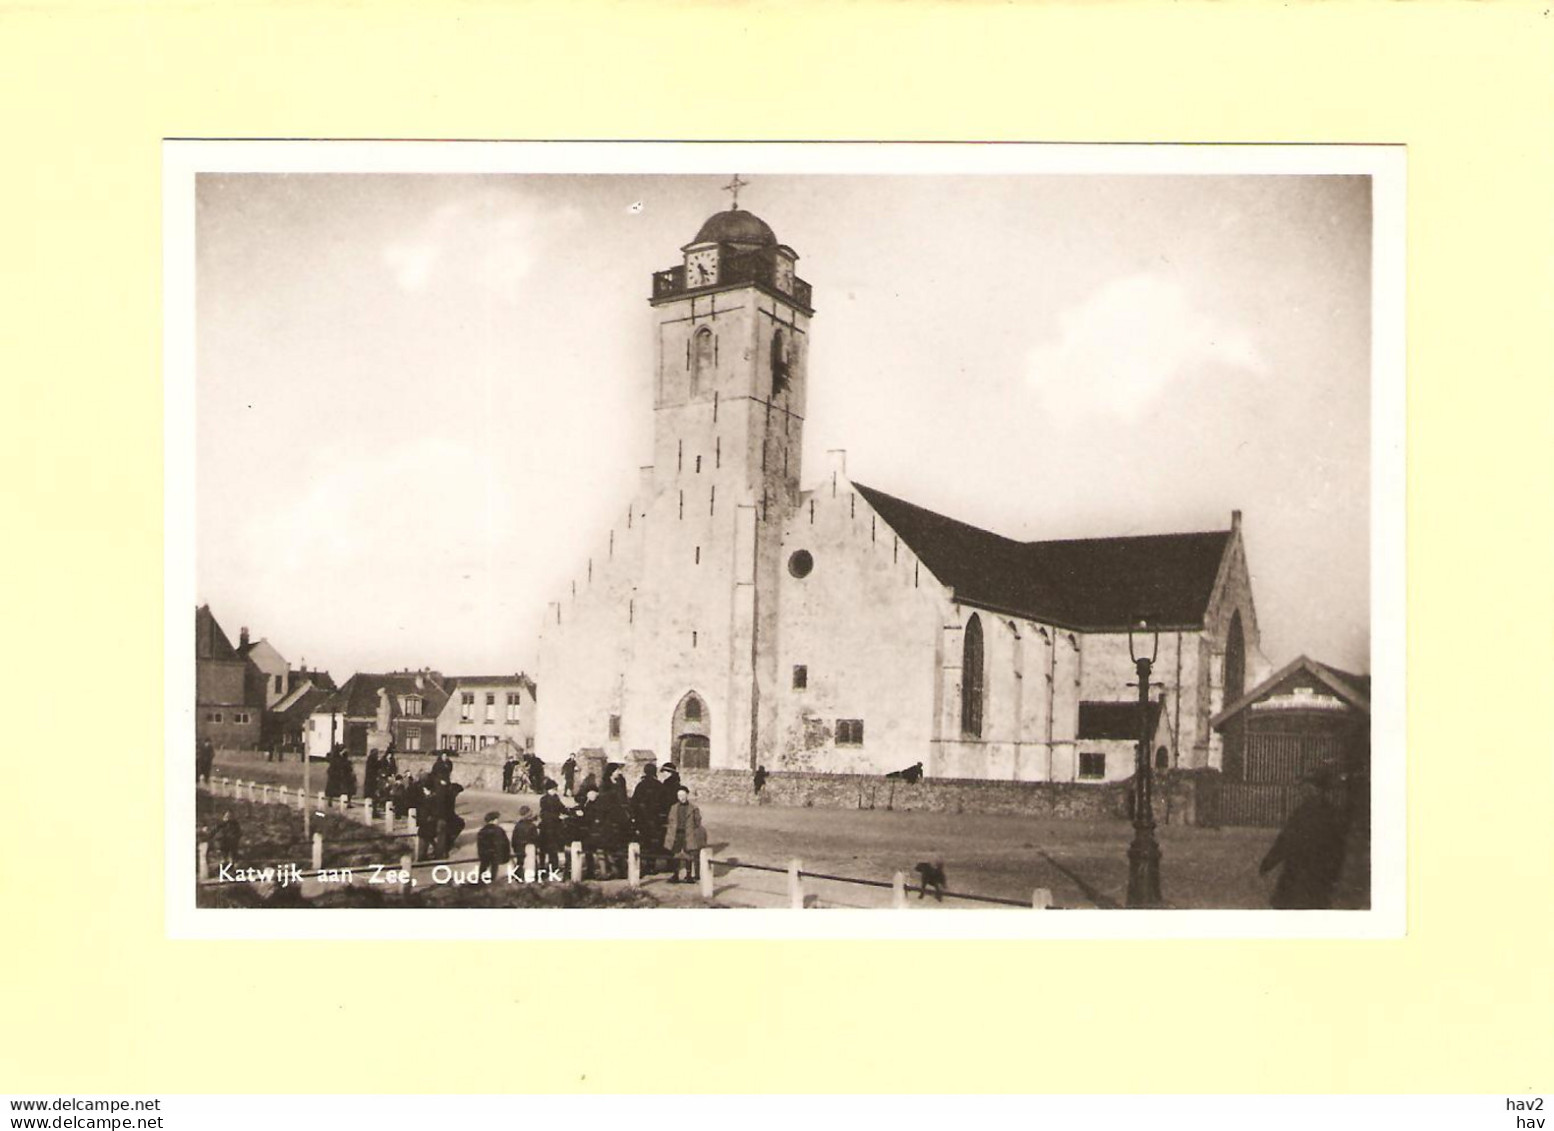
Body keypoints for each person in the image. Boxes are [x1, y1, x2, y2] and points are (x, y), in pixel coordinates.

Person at [1259, 768, 1350, 910]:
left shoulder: (1307, 813)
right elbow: (1285, 840)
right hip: (1312, 876)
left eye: (1307, 786)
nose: (1302, 791)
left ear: (1317, 789)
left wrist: (1268, 862)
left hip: (1304, 874)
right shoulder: (1330, 813)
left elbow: (1285, 841)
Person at [663, 786, 706, 885]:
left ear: (687, 795)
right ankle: (675, 874)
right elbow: (670, 820)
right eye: (679, 795)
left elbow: (697, 822)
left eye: (683, 795)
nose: (681, 797)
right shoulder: (673, 807)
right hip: (676, 834)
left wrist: (693, 831)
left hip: (688, 833)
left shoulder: (693, 808)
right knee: (676, 854)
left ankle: (689, 875)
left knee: (688, 854)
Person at [631, 764, 665, 872]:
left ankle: (643, 865)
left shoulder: (640, 786)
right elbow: (664, 804)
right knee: (653, 842)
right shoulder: (659, 786)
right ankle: (651, 865)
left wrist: (635, 817)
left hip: (642, 819)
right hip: (655, 820)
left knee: (643, 842)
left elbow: (634, 803)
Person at [538, 779, 570, 873]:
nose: (554, 791)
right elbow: (546, 813)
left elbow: (562, 808)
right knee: (546, 848)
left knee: (553, 848)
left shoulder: (556, 798)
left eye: (555, 789)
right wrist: (558, 817)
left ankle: (554, 867)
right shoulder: (544, 799)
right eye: (553, 789)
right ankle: (543, 867)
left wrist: (569, 811)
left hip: (555, 827)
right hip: (547, 827)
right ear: (548, 790)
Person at [476, 810, 511, 882]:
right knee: (494, 869)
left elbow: (480, 844)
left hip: (485, 854)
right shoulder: (499, 830)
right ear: (494, 820)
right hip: (495, 854)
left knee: (483, 867)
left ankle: (480, 881)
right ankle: (492, 881)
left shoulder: (482, 831)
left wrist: (481, 853)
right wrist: (505, 855)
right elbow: (504, 843)